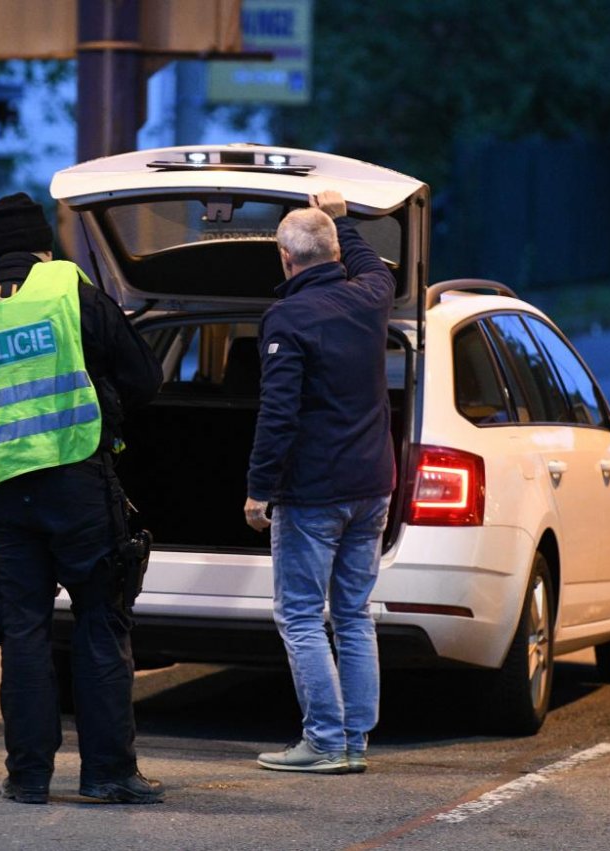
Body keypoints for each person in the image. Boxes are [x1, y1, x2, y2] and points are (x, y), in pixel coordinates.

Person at [0, 193, 164, 804]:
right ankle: (107, 774)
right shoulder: (67, 290)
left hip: (1, 491)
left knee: (23, 627)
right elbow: (144, 378)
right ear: (42, 246)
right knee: (100, 619)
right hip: (75, 479)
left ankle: (28, 776)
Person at [243, 190, 396, 775]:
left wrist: (259, 488)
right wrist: (342, 220)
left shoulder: (288, 317)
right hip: (372, 485)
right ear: (333, 250)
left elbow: (278, 413)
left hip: (314, 492)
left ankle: (325, 742)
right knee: (353, 614)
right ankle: (353, 742)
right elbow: (367, 262)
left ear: (285, 258)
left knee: (302, 616)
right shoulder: (372, 296)